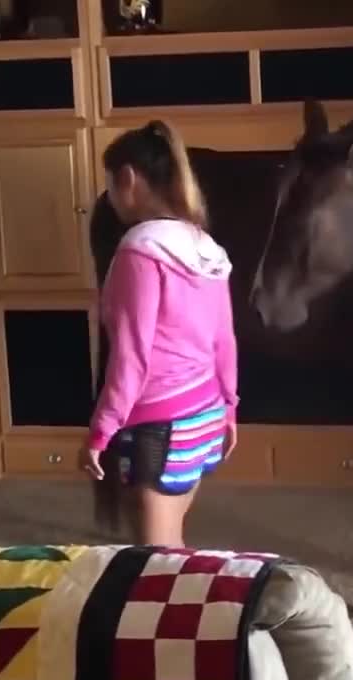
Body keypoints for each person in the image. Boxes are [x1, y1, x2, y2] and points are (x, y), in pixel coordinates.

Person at [79, 119, 238, 547]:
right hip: (203, 419)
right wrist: (229, 408)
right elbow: (225, 341)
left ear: (127, 179)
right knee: (171, 551)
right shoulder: (205, 246)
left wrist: (100, 432)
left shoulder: (139, 250)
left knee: (158, 566)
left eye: (110, 185)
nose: (110, 197)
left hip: (160, 428)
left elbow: (131, 358)